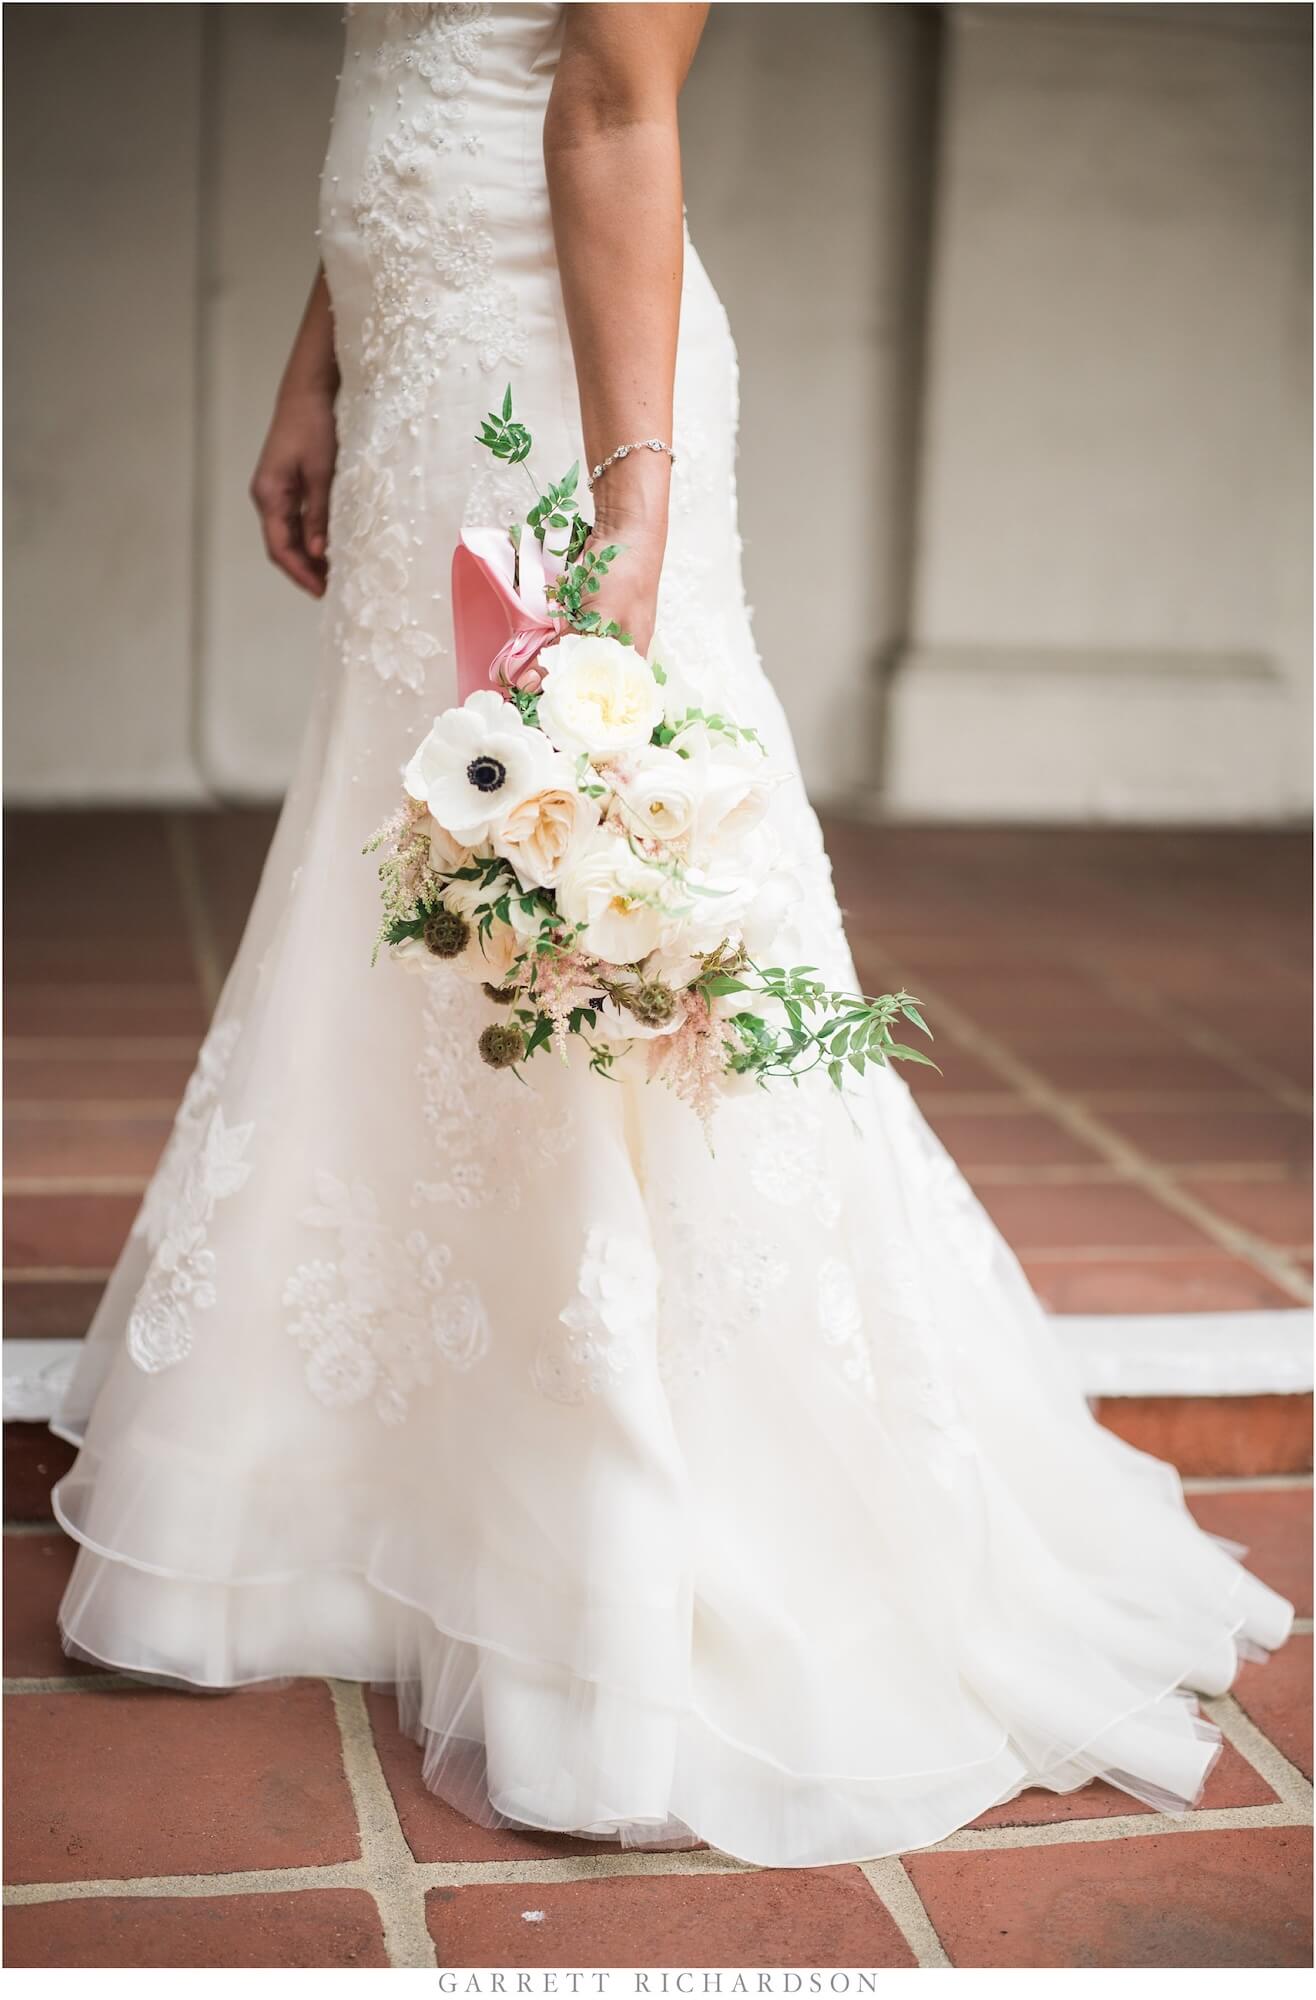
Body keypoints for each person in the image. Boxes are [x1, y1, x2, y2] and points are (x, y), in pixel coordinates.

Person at [51, 2, 1292, 1869]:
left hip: (558, 366)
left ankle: (613, 1534)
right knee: (402, 858)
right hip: (413, 347)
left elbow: (615, 103)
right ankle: (377, 1469)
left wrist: (632, 492)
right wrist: (321, 361)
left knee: (573, 895)